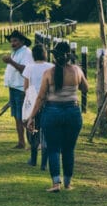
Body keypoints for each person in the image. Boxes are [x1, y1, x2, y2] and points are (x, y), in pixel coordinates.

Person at [26, 41, 88, 192]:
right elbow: (86, 88)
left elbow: (40, 98)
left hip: (52, 113)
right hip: (72, 113)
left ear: (54, 57)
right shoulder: (77, 71)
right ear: (69, 57)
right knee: (69, 149)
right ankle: (67, 183)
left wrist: (31, 117)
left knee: (53, 149)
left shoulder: (48, 74)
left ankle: (55, 183)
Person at [1, 30, 33, 149]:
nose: (12, 43)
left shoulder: (26, 53)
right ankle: (21, 142)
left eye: (15, 41)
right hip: (14, 88)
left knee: (24, 117)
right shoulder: (16, 52)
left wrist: (10, 61)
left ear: (22, 41)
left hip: (21, 89)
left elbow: (25, 70)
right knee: (17, 116)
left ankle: (35, 141)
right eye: (11, 41)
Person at [22, 44, 52, 168]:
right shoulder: (52, 66)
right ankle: (44, 162)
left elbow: (26, 87)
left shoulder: (29, 67)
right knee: (47, 132)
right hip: (49, 101)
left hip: (34, 102)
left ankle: (33, 159)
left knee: (33, 130)